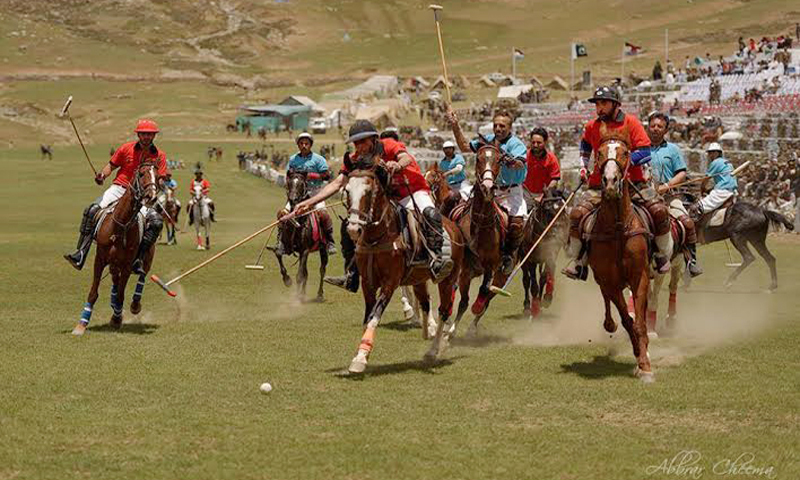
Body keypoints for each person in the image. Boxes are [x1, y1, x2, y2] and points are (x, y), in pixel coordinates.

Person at [291, 120, 454, 292]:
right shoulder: (355, 159)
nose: (359, 146)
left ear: (374, 139)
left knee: (430, 213)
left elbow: (405, 157)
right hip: (386, 198)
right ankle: (351, 275)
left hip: (411, 191)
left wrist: (397, 164)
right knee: (350, 225)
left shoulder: (388, 145)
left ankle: (436, 261)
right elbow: (337, 183)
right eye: (356, 143)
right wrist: (308, 203)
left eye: (363, 141)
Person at [563, 85, 671, 280]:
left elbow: (645, 151)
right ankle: (580, 261)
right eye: (597, 104)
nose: (599, 108)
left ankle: (659, 254)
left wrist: (623, 162)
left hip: (634, 184)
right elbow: (585, 145)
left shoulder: (631, 122)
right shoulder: (592, 126)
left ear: (615, 104)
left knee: (659, 211)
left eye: (603, 103)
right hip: (598, 185)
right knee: (578, 215)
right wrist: (583, 166)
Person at [63, 119, 168, 275]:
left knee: (156, 222)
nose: (147, 137)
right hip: (119, 188)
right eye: (144, 134)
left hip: (141, 196)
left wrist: (156, 187)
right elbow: (111, 165)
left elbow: (161, 177)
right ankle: (81, 253)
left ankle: (138, 259)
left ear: (154, 136)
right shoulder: (126, 148)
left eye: (150, 134)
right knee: (91, 210)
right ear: (138, 134)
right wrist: (102, 176)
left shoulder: (159, 155)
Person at [446, 108, 528, 274]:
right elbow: (463, 146)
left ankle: (508, 256)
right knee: (452, 199)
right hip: (487, 188)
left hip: (510, 192)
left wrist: (508, 159)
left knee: (517, 224)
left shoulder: (516, 144)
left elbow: (520, 162)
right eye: (495, 125)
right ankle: (449, 244)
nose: (498, 129)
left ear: (510, 128)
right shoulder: (487, 141)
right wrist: (455, 125)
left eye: (502, 126)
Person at [647, 112, 702, 277]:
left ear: (665, 130)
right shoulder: (640, 148)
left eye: (660, 126)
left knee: (687, 222)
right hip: (644, 197)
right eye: (653, 125)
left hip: (669, 197)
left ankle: (691, 260)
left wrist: (666, 186)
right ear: (648, 127)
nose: (656, 129)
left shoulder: (673, 149)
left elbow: (682, 173)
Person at [279, 132, 336, 255]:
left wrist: (311, 175)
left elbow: (326, 176)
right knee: (282, 215)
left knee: (323, 214)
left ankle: (330, 242)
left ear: (310, 145)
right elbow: (288, 175)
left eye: (306, 143)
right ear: (298, 145)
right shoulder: (293, 159)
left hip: (315, 194)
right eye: (301, 143)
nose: (304, 146)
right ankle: (281, 243)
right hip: (298, 195)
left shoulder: (318, 159)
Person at [690, 143, 738, 220]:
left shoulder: (715, 162)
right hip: (732, 191)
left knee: (696, 208)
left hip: (722, 192)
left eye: (712, 153)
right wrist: (711, 189)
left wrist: (702, 189)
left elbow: (706, 179)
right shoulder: (727, 162)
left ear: (717, 153)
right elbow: (724, 180)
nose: (710, 155)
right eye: (709, 153)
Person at [522, 127, 561, 212]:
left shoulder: (551, 159)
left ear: (545, 142)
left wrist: (543, 195)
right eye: (533, 142)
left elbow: (554, 179)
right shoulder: (524, 156)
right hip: (525, 194)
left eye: (539, 143)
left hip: (544, 196)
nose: (535, 145)